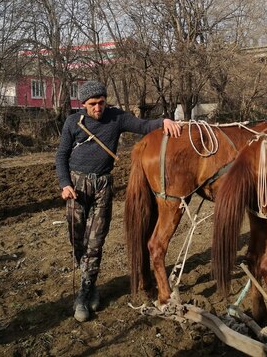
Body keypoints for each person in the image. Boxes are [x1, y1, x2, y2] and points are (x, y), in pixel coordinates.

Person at [55, 80, 182, 322]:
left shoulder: (116, 118)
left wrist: (163, 121)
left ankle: (84, 290)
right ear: (83, 104)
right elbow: (61, 155)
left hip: (103, 186)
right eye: (92, 104)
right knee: (77, 239)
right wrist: (64, 184)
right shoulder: (73, 123)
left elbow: (143, 125)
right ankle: (90, 284)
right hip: (77, 187)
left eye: (101, 102)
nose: (98, 108)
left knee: (96, 241)